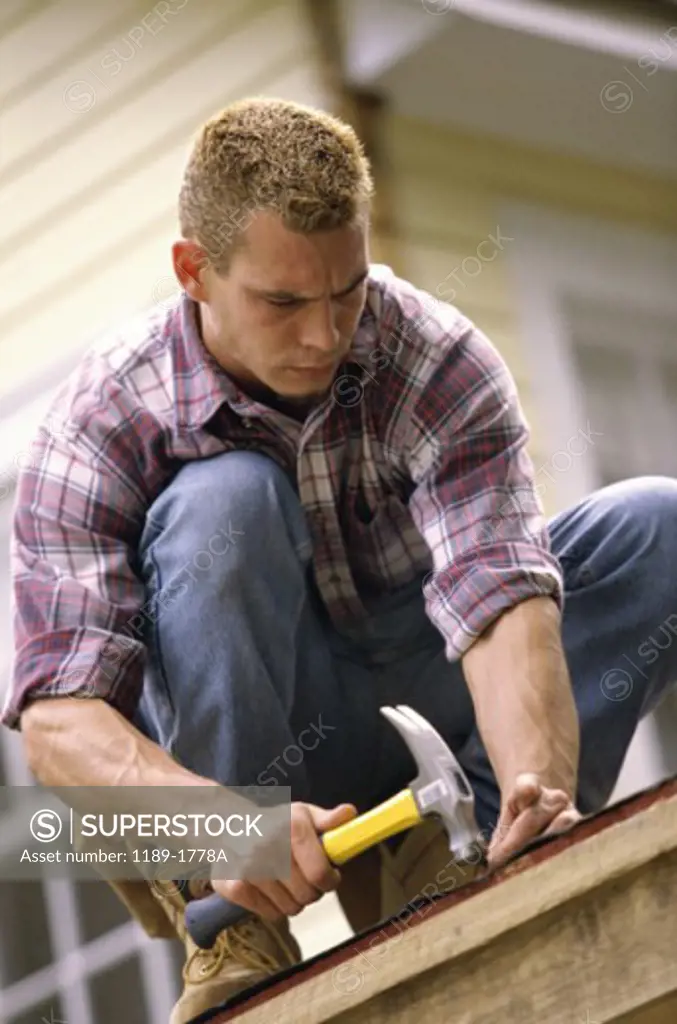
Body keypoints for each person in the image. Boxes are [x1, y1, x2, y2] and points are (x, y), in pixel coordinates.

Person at [4, 97, 677, 1023]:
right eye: (282, 302)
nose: (325, 336)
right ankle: (232, 926)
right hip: (252, 752)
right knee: (222, 502)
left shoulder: (434, 360)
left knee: (657, 525)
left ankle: (475, 842)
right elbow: (58, 724)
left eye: (346, 291)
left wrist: (536, 781)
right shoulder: (101, 420)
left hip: (425, 679)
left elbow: (501, 600)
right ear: (193, 271)